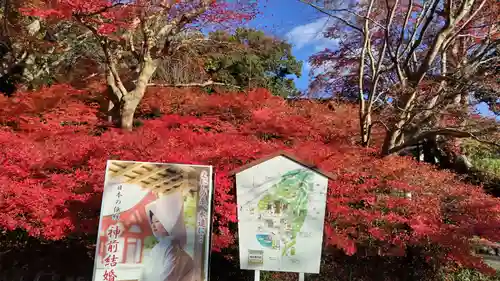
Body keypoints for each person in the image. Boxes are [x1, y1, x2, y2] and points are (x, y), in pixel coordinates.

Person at [139, 191, 194, 281]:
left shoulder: (171, 246)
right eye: (152, 222)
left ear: (168, 222)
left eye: (157, 221)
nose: (153, 225)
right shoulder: (161, 246)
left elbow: (167, 277)